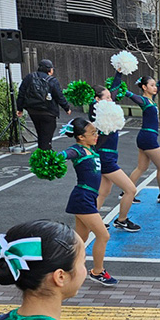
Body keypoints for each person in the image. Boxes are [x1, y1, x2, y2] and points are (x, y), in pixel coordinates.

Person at [61, 118, 117, 286]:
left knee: (81, 238)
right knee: (103, 235)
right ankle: (98, 272)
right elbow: (65, 154)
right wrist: (57, 157)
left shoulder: (91, 149)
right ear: (80, 137)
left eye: (96, 132)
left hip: (89, 198)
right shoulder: (77, 150)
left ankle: (62, 264)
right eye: (92, 133)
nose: (96, 135)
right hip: (83, 197)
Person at [90, 84, 140, 232]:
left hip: (109, 156)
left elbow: (115, 88)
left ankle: (92, 221)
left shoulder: (107, 111)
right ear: (97, 99)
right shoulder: (97, 113)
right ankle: (121, 220)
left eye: (110, 97)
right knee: (130, 190)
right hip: (106, 159)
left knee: (104, 191)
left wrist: (118, 73)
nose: (111, 99)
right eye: (107, 97)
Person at [126, 75, 160, 204]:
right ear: (144, 87)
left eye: (155, 85)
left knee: (142, 167)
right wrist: (123, 89)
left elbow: (159, 85)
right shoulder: (143, 100)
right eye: (152, 85)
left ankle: (126, 192)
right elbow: (131, 95)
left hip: (146, 137)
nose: (155, 88)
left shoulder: (151, 100)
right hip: (148, 138)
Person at [17, 59, 72, 151]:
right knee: (46, 136)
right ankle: (46, 154)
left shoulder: (29, 77)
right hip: (48, 112)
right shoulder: (52, 80)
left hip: (33, 111)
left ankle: (41, 153)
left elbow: (21, 93)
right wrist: (66, 108)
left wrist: (20, 108)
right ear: (49, 70)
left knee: (41, 134)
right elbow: (59, 96)